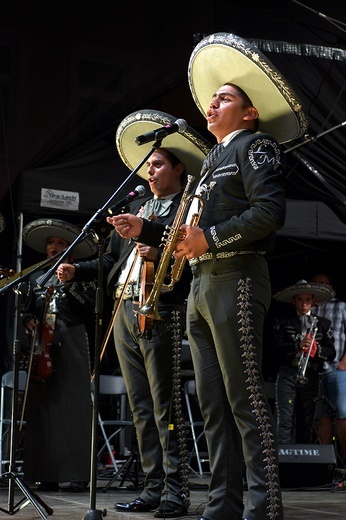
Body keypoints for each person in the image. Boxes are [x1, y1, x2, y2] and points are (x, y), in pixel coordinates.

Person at [106, 31, 310, 520]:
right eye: (213, 97)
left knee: (242, 399)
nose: (213, 103)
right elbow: (188, 228)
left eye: (226, 98)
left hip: (235, 276)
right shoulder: (211, 163)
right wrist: (148, 227)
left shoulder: (256, 146)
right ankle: (223, 502)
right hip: (200, 284)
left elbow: (269, 213)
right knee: (214, 405)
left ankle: (264, 504)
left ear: (249, 112)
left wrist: (211, 240)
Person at [56, 110, 211, 518]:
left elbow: (192, 259)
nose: (151, 172)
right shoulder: (138, 206)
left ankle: (176, 490)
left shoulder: (188, 207)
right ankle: (152, 485)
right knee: (140, 404)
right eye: (148, 166)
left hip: (161, 308)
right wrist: (78, 269)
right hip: (125, 307)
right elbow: (110, 261)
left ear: (178, 168)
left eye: (158, 164)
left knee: (165, 404)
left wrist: (160, 250)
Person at [22, 218, 97, 492]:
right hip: (44, 346)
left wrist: (69, 283)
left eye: (61, 243)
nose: (54, 247)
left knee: (75, 407)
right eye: (51, 243)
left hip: (73, 341)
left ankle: (78, 473)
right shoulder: (35, 276)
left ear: (71, 249)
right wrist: (28, 320)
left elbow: (89, 310)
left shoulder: (81, 273)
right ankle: (45, 473)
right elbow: (28, 308)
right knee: (44, 407)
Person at [272, 280, 335, 445]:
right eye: (300, 299)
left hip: (311, 374)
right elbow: (275, 350)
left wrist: (317, 350)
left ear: (313, 301)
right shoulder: (283, 321)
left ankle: (304, 460)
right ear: (294, 301)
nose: (304, 304)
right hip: (288, 372)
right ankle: (284, 461)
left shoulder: (323, 324)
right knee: (284, 419)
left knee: (307, 420)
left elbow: (331, 353)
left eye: (308, 300)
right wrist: (296, 345)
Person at [311, 272, 346, 466]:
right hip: (316, 370)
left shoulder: (341, 306)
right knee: (320, 415)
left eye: (327, 284)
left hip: (338, 368)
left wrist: (344, 362)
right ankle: (326, 463)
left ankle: (345, 460)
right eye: (319, 284)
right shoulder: (310, 309)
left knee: (342, 412)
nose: (324, 287)